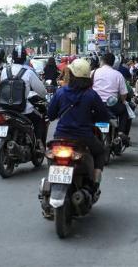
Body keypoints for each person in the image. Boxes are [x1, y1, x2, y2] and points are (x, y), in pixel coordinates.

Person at [47, 58, 110, 192]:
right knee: (100, 152)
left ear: (71, 74)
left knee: (51, 155)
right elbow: (103, 116)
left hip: (60, 137)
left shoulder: (60, 92)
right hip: (84, 137)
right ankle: (95, 180)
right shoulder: (91, 95)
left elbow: (51, 114)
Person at [0, 46, 48, 145]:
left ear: (12, 58)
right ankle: (38, 143)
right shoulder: (29, 72)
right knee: (39, 118)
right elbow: (42, 91)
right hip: (23, 110)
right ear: (25, 58)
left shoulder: (5, 71)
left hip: (4, 108)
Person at [92, 53, 131, 140]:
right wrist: (122, 100)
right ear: (113, 63)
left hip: (95, 105)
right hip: (112, 105)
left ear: (101, 61)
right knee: (124, 111)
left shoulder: (93, 73)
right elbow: (124, 94)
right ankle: (121, 132)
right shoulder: (118, 74)